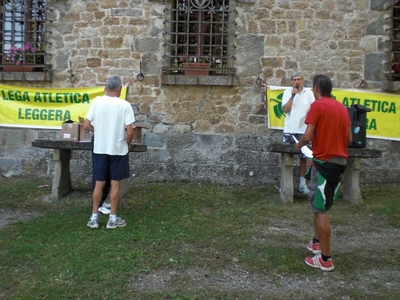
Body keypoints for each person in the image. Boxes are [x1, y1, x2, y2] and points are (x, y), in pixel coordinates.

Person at [295, 74, 352, 271]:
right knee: (319, 204)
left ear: (317, 88)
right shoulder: (342, 108)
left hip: (324, 163)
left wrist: (299, 145)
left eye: (313, 87)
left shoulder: (318, 106)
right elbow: (349, 139)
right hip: (339, 161)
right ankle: (316, 242)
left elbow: (308, 134)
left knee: (321, 210)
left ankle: (326, 260)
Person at [84, 76, 135, 229]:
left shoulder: (97, 102)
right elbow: (130, 131)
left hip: (100, 148)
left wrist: (97, 131)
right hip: (118, 149)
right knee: (115, 184)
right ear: (120, 90)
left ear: (105, 89)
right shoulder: (125, 105)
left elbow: (86, 125)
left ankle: (94, 218)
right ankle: (112, 219)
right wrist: (128, 143)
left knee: (99, 183)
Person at [282, 72, 315, 194]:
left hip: (303, 130)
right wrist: (292, 96)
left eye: (299, 79)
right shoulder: (287, 92)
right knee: (287, 156)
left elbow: (313, 108)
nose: (296, 81)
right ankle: (286, 184)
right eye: (294, 79)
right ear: (291, 81)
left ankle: (302, 183)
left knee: (304, 157)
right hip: (290, 130)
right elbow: (286, 109)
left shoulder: (309, 93)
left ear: (302, 81)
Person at [91, 134, 111, 215]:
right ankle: (97, 206)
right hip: (101, 140)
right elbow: (86, 125)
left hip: (108, 139)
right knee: (100, 175)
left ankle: (101, 201)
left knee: (108, 173)